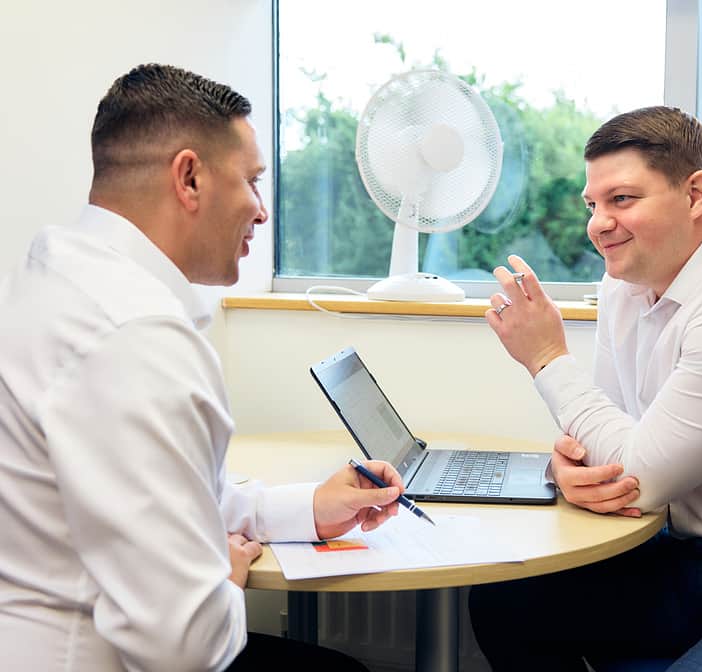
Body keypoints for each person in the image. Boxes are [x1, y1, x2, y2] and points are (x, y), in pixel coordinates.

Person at [0, 64, 405, 671]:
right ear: (189, 178)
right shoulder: (135, 337)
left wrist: (310, 507)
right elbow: (186, 648)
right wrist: (225, 573)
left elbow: (175, 497)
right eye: (252, 181)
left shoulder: (62, 279)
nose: (263, 212)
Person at [469, 106, 702, 671]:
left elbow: (638, 478)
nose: (597, 224)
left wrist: (546, 358)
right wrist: (568, 471)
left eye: (622, 200)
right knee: (505, 598)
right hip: (678, 550)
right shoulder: (627, 284)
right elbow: (610, 433)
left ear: (695, 194)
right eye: (593, 205)